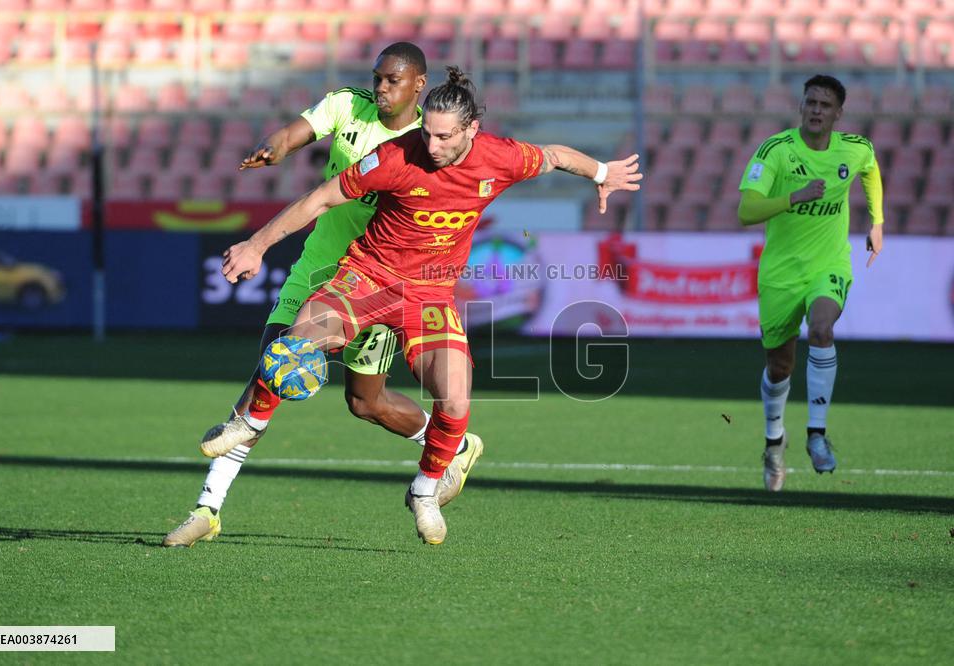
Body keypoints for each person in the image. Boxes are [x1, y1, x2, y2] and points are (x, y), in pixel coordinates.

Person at [220, 67, 643, 544]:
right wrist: (257, 244)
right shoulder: (395, 156)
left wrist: (604, 174)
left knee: (457, 396)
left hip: (430, 293)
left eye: (443, 136)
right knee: (296, 342)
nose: (433, 144)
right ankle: (247, 421)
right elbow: (319, 199)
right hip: (369, 276)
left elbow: (557, 156)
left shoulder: (501, 157)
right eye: (427, 132)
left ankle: (424, 491)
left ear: (471, 131)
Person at [164, 43, 482, 548]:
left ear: (418, 86)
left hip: (379, 281)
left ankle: (453, 444)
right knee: (274, 365)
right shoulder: (346, 105)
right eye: (377, 77)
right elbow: (298, 132)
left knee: (365, 403)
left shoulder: (429, 140)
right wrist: (278, 146)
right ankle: (208, 507)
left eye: (392, 80)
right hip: (319, 268)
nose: (380, 87)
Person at [737, 74, 884, 492]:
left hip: (829, 265)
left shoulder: (854, 149)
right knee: (779, 366)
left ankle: (816, 434)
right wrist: (793, 197)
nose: (816, 110)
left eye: (825, 104)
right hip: (782, 273)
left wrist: (878, 221)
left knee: (822, 329)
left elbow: (871, 171)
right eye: (811, 102)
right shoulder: (776, 152)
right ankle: (773, 442)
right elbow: (746, 211)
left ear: (839, 113)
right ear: (801, 106)